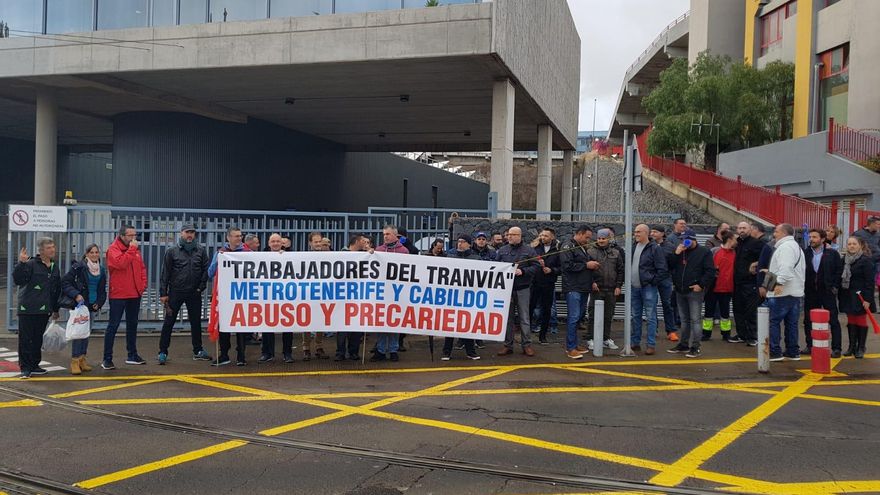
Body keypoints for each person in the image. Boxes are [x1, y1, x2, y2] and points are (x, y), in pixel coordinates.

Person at [157, 224, 212, 365]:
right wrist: (163, 293)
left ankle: (198, 350)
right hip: (176, 292)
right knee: (169, 322)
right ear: (181, 233)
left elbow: (206, 270)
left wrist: (201, 287)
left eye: (192, 232)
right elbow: (165, 273)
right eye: (187, 232)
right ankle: (162, 351)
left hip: (194, 292)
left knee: (196, 322)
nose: (190, 235)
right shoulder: (172, 252)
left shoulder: (201, 251)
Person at [13, 238, 61, 379]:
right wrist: (21, 263)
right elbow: (18, 279)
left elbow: (56, 289)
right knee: (26, 339)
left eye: (53, 247)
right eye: (49, 248)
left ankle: (34, 365)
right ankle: (25, 368)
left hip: (44, 309)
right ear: (41, 250)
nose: (52, 250)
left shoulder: (54, 266)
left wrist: (55, 309)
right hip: (27, 308)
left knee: (37, 339)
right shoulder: (31, 264)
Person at [103, 224, 148, 369]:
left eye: (135, 235)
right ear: (122, 236)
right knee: (113, 326)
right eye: (131, 236)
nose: (134, 238)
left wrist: (142, 284)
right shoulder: (113, 249)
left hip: (134, 293)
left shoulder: (134, 250)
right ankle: (107, 358)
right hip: (119, 294)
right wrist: (132, 249)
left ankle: (132, 354)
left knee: (132, 325)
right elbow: (121, 264)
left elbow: (141, 267)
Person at [666, 229, 716, 358]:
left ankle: (695, 346)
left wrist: (701, 285)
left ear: (694, 239)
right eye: (682, 239)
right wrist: (676, 253)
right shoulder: (680, 252)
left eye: (686, 240)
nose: (684, 242)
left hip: (694, 291)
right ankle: (683, 344)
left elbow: (710, 271)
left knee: (695, 320)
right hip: (680, 290)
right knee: (684, 320)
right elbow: (670, 266)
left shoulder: (704, 252)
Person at [208, 226, 251, 366]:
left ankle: (241, 355)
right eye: (236, 236)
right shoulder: (221, 252)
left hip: (242, 294)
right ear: (228, 238)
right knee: (224, 325)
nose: (239, 238)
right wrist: (218, 261)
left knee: (241, 325)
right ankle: (224, 354)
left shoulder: (247, 252)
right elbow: (210, 272)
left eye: (240, 236)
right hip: (225, 296)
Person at [61, 244, 106, 375]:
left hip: (92, 306)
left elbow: (102, 290)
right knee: (78, 333)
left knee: (86, 333)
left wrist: (99, 303)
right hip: (80, 305)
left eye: (96, 252)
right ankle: (74, 360)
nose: (94, 254)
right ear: (86, 254)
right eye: (91, 252)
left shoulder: (102, 270)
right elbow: (65, 282)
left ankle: (82, 359)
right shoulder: (79, 267)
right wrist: (76, 294)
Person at [496, 226, 539, 357]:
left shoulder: (529, 251)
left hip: (523, 288)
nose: (509, 237)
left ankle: (527, 345)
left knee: (524, 318)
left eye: (512, 234)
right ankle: (507, 345)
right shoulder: (502, 250)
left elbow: (537, 266)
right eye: (508, 234)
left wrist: (523, 271)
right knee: (507, 318)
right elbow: (496, 267)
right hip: (507, 290)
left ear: (519, 236)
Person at [765, 223, 806, 362]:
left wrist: (778, 283)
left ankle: (775, 351)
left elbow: (786, 269)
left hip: (782, 293)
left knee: (774, 322)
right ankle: (792, 351)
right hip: (794, 292)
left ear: (783, 233)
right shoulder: (796, 247)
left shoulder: (786, 247)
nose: (774, 234)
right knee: (791, 323)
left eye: (776, 231)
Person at [371, 225, 409, 362]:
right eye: (384, 234)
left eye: (388, 234)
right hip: (382, 291)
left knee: (394, 321)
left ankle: (393, 349)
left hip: (396, 291)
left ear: (395, 235)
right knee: (382, 322)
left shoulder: (403, 251)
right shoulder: (378, 250)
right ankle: (380, 350)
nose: (385, 236)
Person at [802, 228, 843, 357]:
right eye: (810, 237)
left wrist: (834, 286)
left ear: (823, 239)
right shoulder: (805, 253)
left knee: (833, 320)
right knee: (808, 320)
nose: (811, 240)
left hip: (827, 291)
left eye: (814, 237)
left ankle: (836, 348)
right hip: (810, 292)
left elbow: (838, 271)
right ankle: (810, 346)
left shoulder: (832, 253)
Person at [441, 234, 481, 361]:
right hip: (453, 295)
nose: (460, 244)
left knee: (467, 323)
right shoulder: (450, 257)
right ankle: (446, 352)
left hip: (469, 295)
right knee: (450, 323)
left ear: (469, 244)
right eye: (458, 241)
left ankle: (470, 351)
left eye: (463, 241)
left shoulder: (476, 258)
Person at [630, 224, 668, 355]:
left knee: (650, 316)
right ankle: (635, 342)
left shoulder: (655, 249)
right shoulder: (633, 247)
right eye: (635, 232)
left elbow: (662, 269)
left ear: (646, 233)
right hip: (634, 287)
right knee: (635, 316)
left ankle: (650, 344)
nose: (636, 234)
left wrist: (652, 281)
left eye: (638, 232)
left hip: (648, 288)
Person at [259, 234, 296, 364]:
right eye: (273, 241)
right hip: (268, 296)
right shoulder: (261, 256)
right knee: (267, 325)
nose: (275, 243)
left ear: (282, 243)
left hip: (285, 296)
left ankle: (287, 353)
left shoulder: (289, 256)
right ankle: (267, 353)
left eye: (278, 241)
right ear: (269, 243)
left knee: (287, 325)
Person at [560, 225, 595, 359]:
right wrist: (586, 265)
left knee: (579, 317)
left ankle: (574, 344)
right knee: (573, 317)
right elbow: (567, 266)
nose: (588, 240)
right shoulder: (568, 246)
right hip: (573, 287)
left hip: (583, 287)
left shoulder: (581, 247)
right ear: (579, 234)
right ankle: (570, 348)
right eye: (586, 237)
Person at [587, 228, 623, 351]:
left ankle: (605, 338)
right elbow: (587, 270)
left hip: (611, 289)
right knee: (593, 315)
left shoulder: (616, 253)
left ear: (609, 239)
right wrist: (591, 282)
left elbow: (620, 271)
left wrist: (618, 286)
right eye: (599, 238)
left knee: (608, 315)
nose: (601, 240)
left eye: (603, 238)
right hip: (596, 289)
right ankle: (591, 338)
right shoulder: (590, 252)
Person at [730, 221, 766, 345]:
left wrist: (756, 264)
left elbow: (765, 259)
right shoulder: (735, 243)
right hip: (737, 282)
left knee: (750, 311)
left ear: (750, 229)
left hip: (750, 283)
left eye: (744, 228)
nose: (741, 230)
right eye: (739, 228)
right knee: (737, 309)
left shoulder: (757, 243)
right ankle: (741, 335)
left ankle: (752, 337)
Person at [839, 236, 875, 359]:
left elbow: (870, 282)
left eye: (854, 244)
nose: (852, 246)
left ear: (860, 245)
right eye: (849, 244)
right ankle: (852, 347)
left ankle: (861, 347)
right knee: (851, 321)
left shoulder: (866, 261)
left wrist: (868, 300)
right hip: (848, 296)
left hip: (861, 297)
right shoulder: (845, 259)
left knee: (861, 321)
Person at [336, 234, 366, 361]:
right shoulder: (341, 255)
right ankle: (340, 352)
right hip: (343, 296)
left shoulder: (365, 255)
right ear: (357, 242)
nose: (366, 243)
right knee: (342, 326)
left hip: (358, 295)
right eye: (364, 241)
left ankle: (353, 351)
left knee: (357, 326)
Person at [702, 231, 736, 341]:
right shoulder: (715, 251)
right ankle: (706, 334)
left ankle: (726, 334)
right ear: (730, 240)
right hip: (713, 288)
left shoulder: (735, 253)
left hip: (727, 288)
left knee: (725, 313)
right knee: (708, 312)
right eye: (735, 239)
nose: (737, 241)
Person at [651, 225, 679, 342]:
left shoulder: (670, 247)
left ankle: (671, 330)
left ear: (662, 233)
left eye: (655, 231)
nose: (652, 234)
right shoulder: (648, 245)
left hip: (665, 279)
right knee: (651, 305)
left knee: (668, 305)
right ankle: (653, 329)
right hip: (651, 278)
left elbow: (674, 264)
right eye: (651, 231)